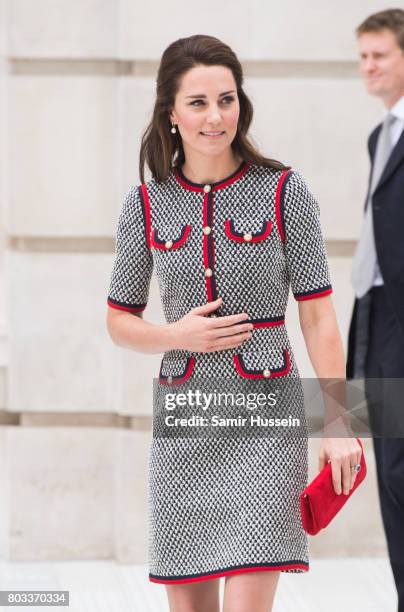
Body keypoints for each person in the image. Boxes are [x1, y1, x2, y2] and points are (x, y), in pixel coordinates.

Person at [106, 34, 361, 612]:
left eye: (227, 99)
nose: (215, 116)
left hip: (267, 424)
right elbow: (118, 321)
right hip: (185, 430)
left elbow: (319, 315)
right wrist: (175, 335)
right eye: (197, 103)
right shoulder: (145, 204)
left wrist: (338, 421)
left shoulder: (284, 191)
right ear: (170, 113)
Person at [347, 9, 404, 612]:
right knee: (391, 468)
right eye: (362, 56)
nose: (367, 67)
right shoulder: (380, 135)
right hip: (382, 318)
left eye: (379, 55)